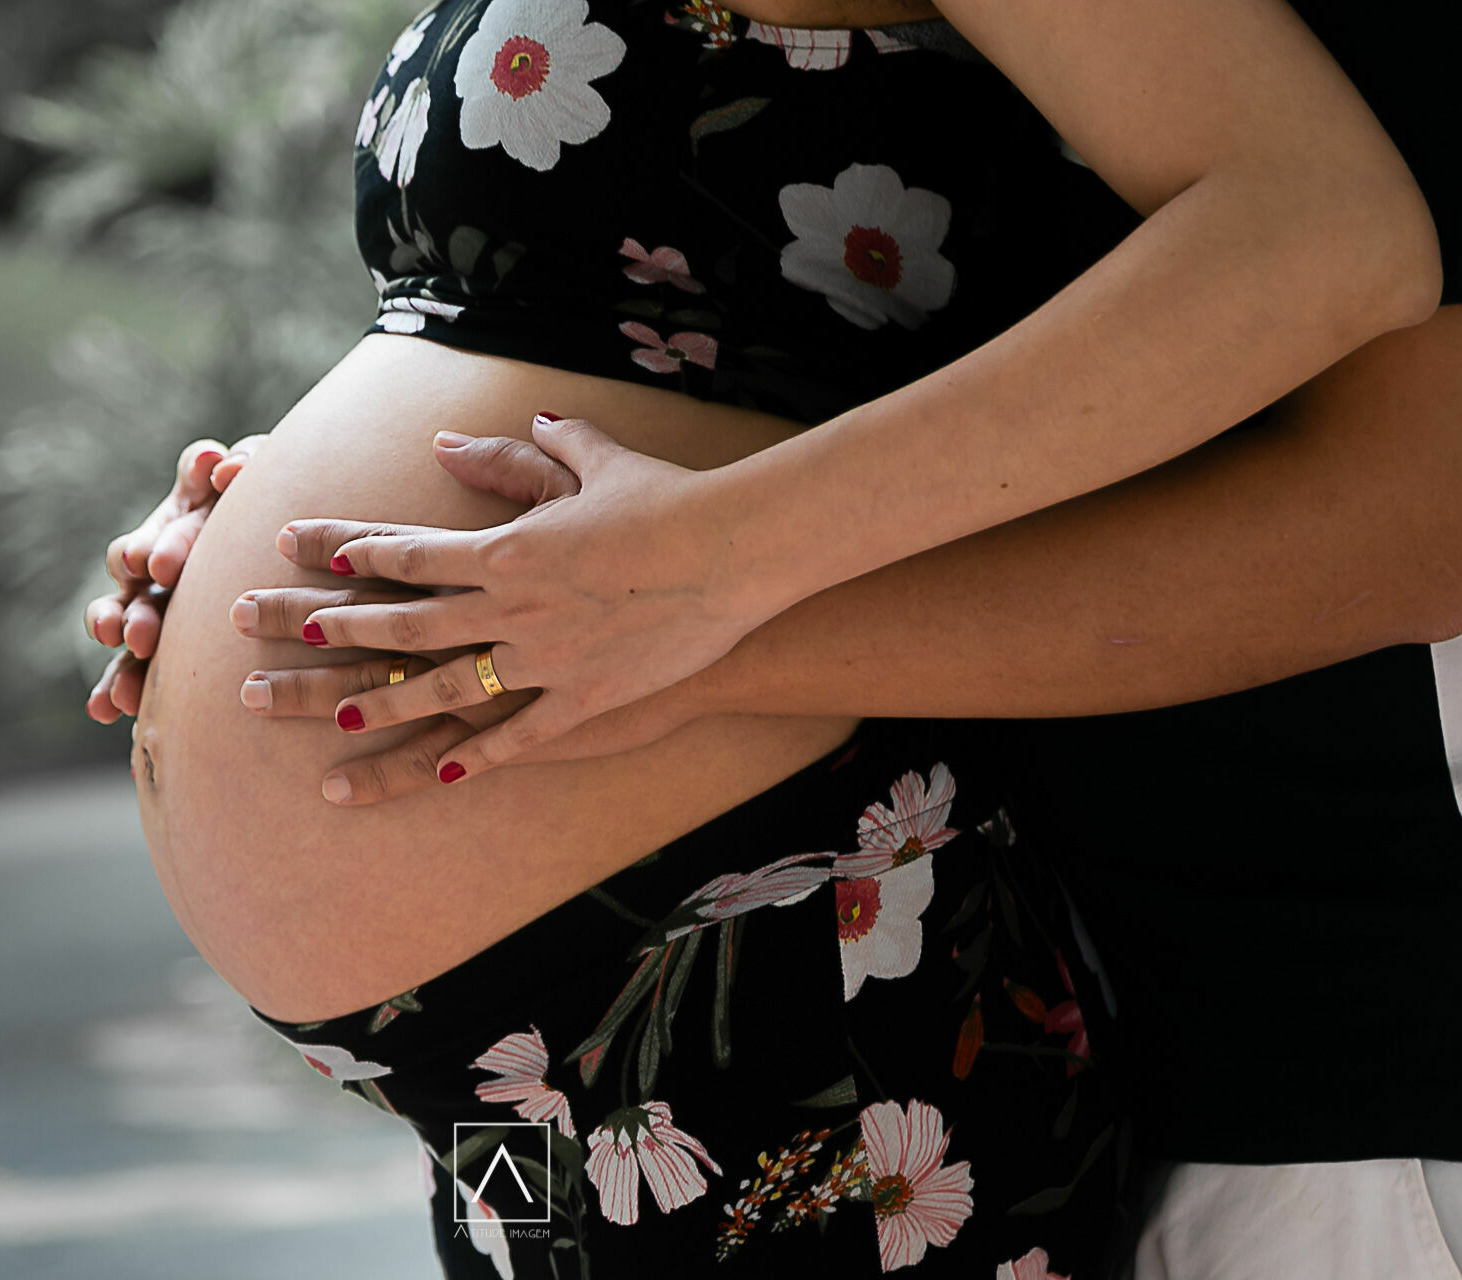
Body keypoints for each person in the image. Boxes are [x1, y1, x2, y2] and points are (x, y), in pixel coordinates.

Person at [87, 1, 1455, 1275]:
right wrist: (289, 515)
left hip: (784, 962)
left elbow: (1321, 236)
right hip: (500, 1083)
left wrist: (700, 574)